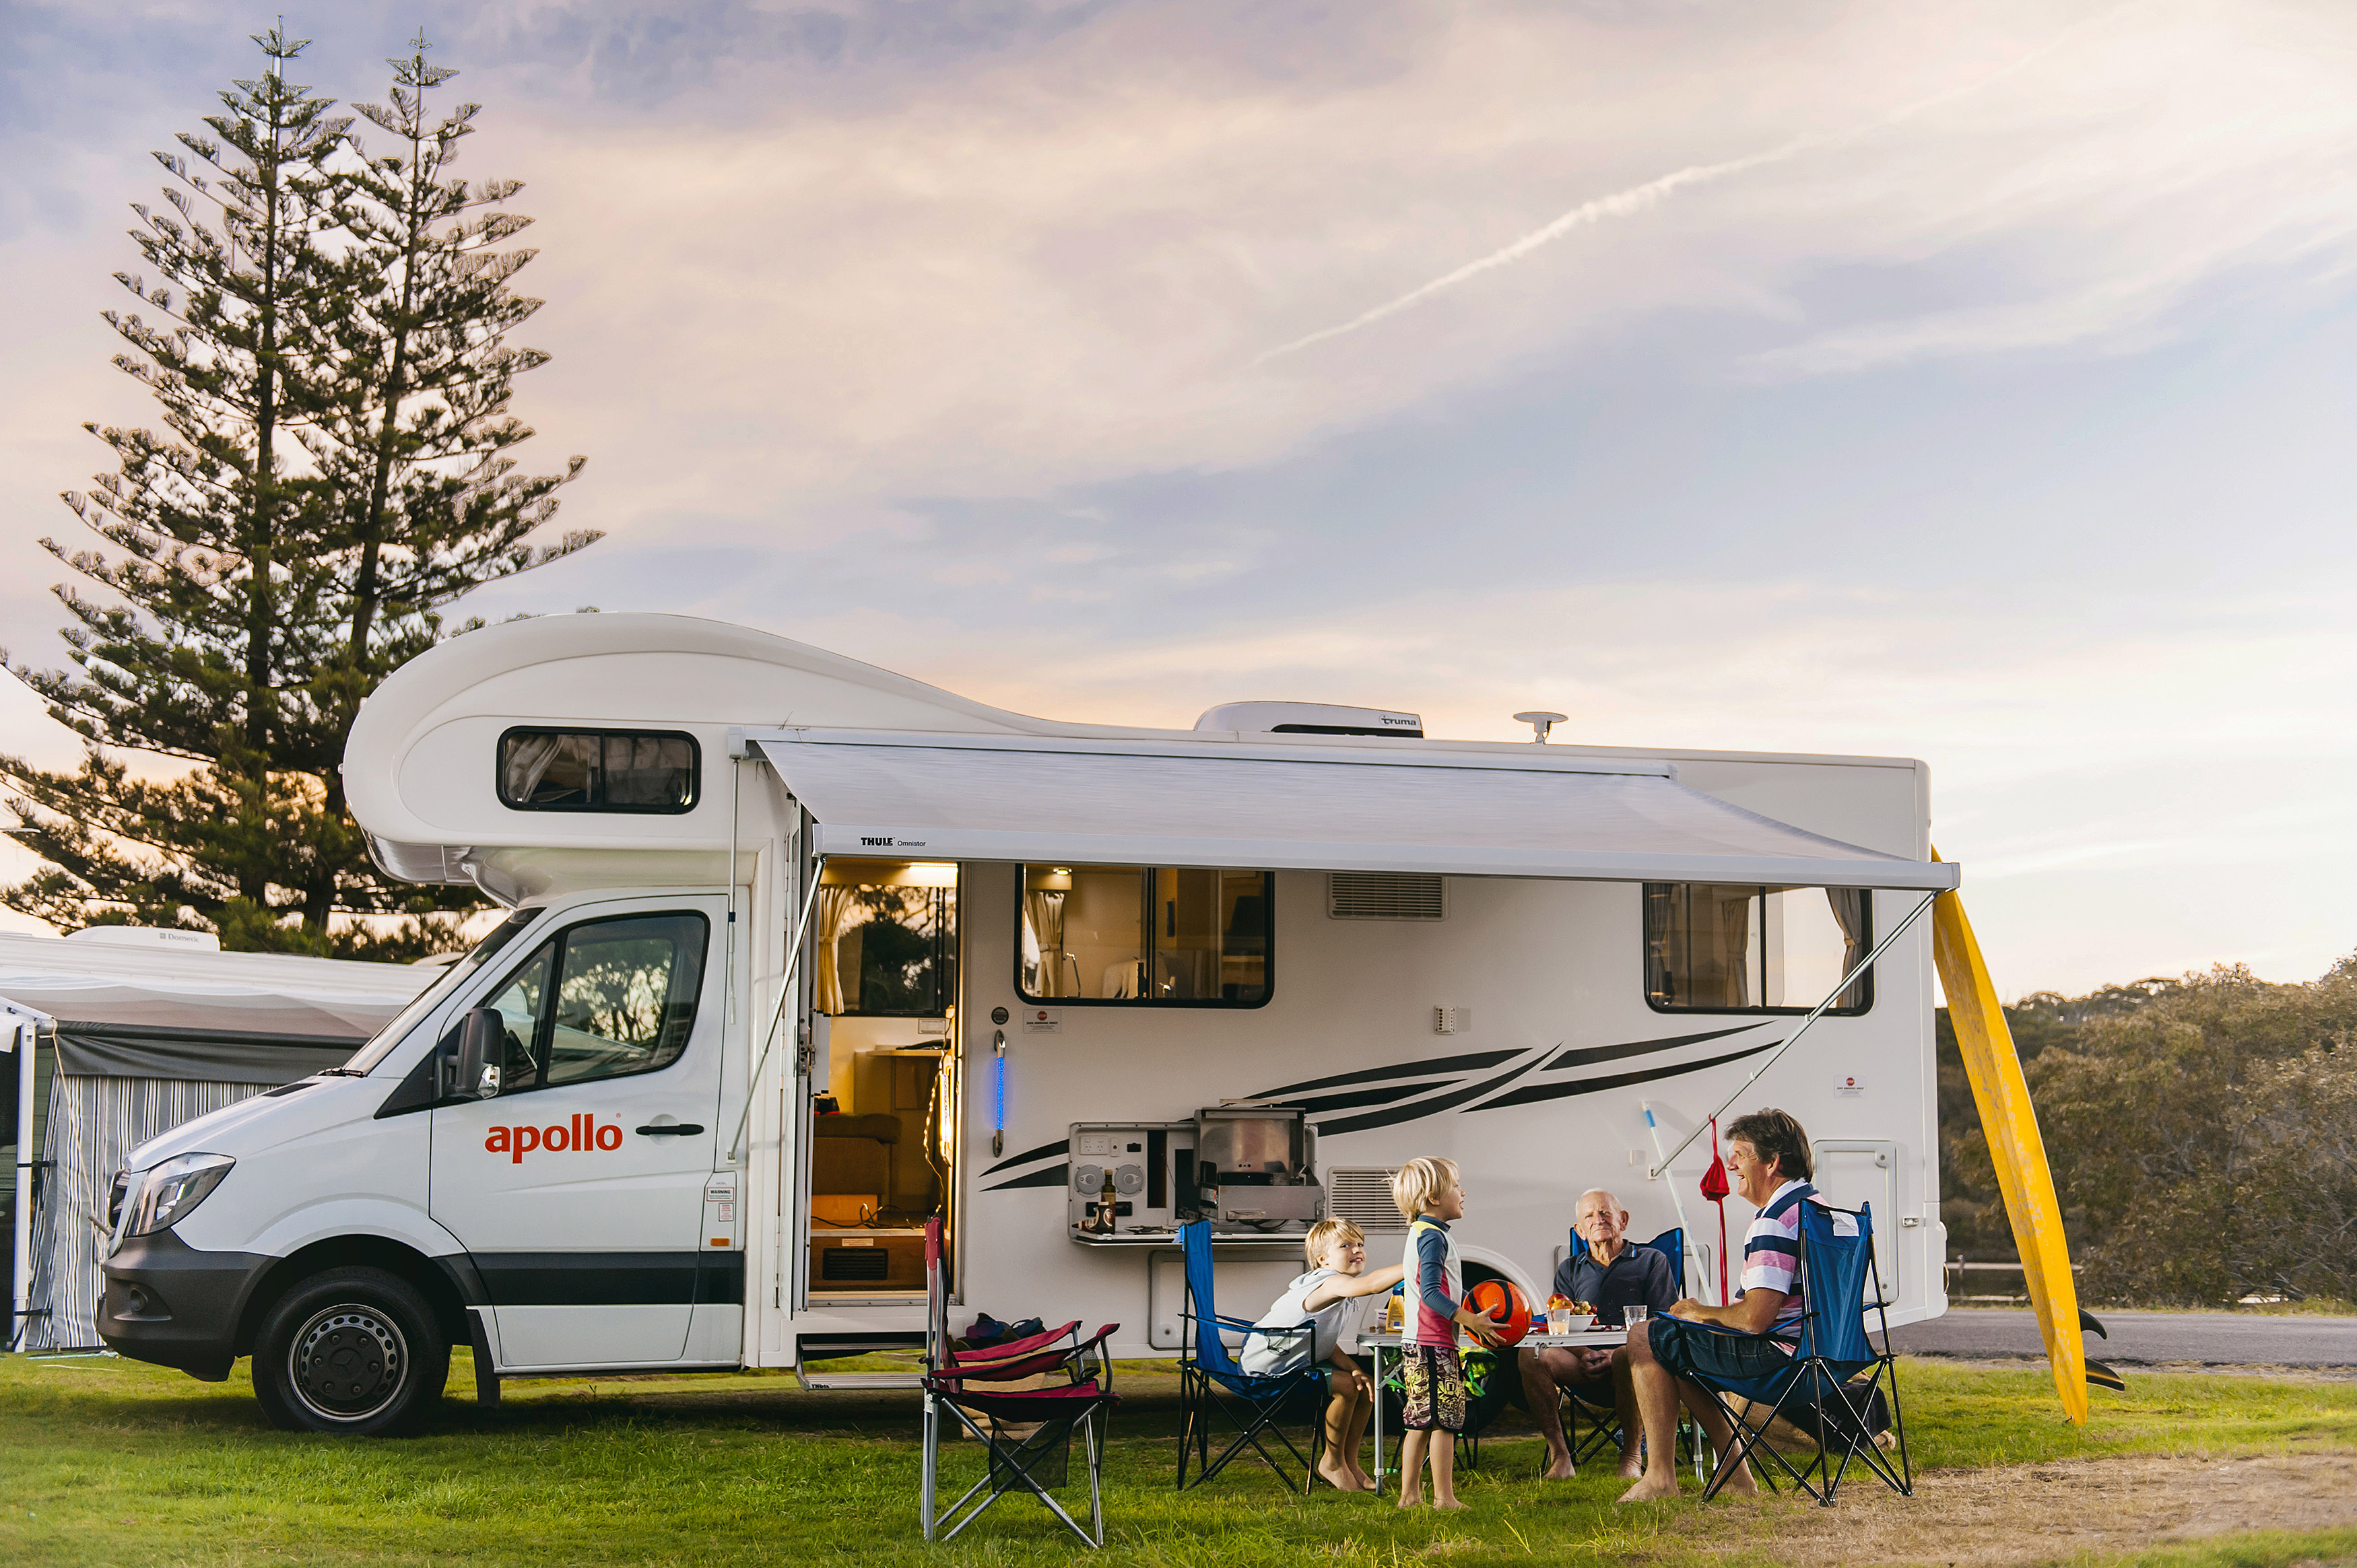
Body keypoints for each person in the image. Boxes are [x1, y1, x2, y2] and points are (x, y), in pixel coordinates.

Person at [1619, 1107, 1857, 1503]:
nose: (1730, 1164)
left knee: (1647, 1336)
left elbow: (1755, 1319)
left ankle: (1660, 1476)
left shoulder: (1776, 1219)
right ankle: (1737, 1476)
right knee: (1676, 1347)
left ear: (1773, 1162)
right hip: (1833, 1359)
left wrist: (1698, 1311)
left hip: (1783, 1362)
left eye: (1741, 1154)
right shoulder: (1827, 1212)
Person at [1520, 1188, 1678, 1480]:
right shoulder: (1570, 1269)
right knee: (1532, 1353)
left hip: (1636, 1367)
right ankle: (1561, 1458)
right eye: (1589, 1216)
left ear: (1624, 1220)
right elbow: (1560, 1325)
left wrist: (1614, 1353)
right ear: (1580, 1230)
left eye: (1606, 1213)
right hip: (1584, 1365)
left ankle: (1631, 1456)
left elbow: (1662, 1321)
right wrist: (1586, 1354)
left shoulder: (1652, 1260)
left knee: (1623, 1356)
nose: (1598, 1220)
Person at [1241, 1217, 1405, 1491]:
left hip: (1290, 1364)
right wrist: (1414, 1262)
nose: (1357, 1250)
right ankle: (1331, 1463)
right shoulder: (1329, 1284)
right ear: (1323, 1259)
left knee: (1364, 1385)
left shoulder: (1338, 1290)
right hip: (1266, 1373)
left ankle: (1349, 1463)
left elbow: (1322, 1342)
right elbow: (1372, 1285)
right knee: (1347, 1389)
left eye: (1360, 1244)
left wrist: (1355, 1368)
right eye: (1346, 1245)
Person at [1391, 1155, 1504, 1510]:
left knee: (1422, 1420)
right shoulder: (1433, 1238)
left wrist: (1468, 1302)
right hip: (1432, 1343)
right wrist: (1468, 1319)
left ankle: (1412, 1497)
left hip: (1422, 1342)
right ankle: (1443, 1498)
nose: (1462, 1191)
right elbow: (1430, 1293)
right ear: (1434, 1197)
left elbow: (1441, 1286)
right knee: (1443, 1422)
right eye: (1456, 1185)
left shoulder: (1425, 1233)